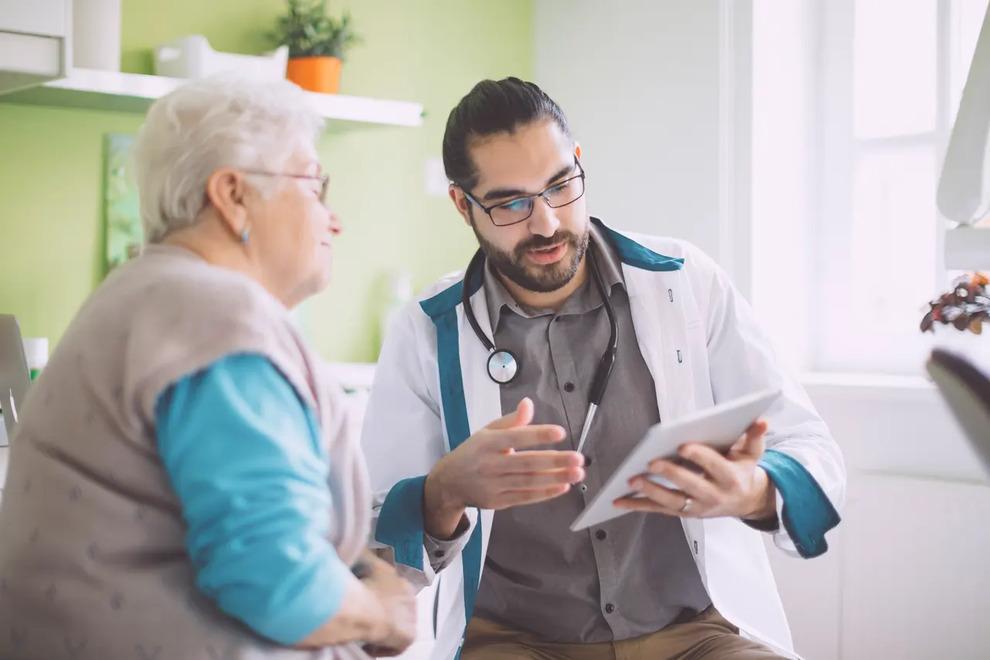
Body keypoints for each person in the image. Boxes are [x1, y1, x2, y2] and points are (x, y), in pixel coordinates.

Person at [362, 77, 844, 660]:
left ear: (578, 166)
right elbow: (376, 542)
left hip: (696, 635)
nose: (545, 223)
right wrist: (443, 493)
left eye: (560, 186)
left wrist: (755, 490)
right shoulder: (424, 331)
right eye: (510, 202)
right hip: (513, 642)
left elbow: (808, 443)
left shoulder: (687, 283)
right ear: (463, 205)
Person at [0, 76, 415, 660]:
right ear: (233, 194)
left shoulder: (155, 297)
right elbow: (276, 580)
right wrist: (383, 616)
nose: (334, 219)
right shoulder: (215, 317)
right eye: (315, 185)